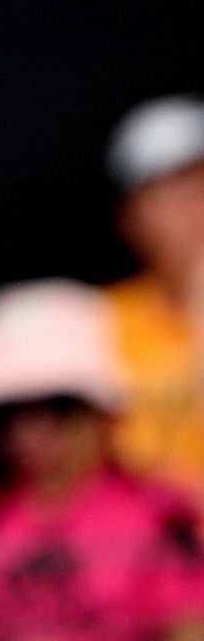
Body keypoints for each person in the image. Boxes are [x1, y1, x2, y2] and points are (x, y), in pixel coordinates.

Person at [0, 278, 204, 641]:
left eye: (57, 406)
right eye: (9, 411)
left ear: (99, 413)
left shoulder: (159, 510)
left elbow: (188, 626)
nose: (30, 431)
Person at [103, 95, 204, 498]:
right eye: (168, 196)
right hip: (149, 552)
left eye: (199, 187)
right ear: (129, 219)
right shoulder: (99, 323)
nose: (193, 210)